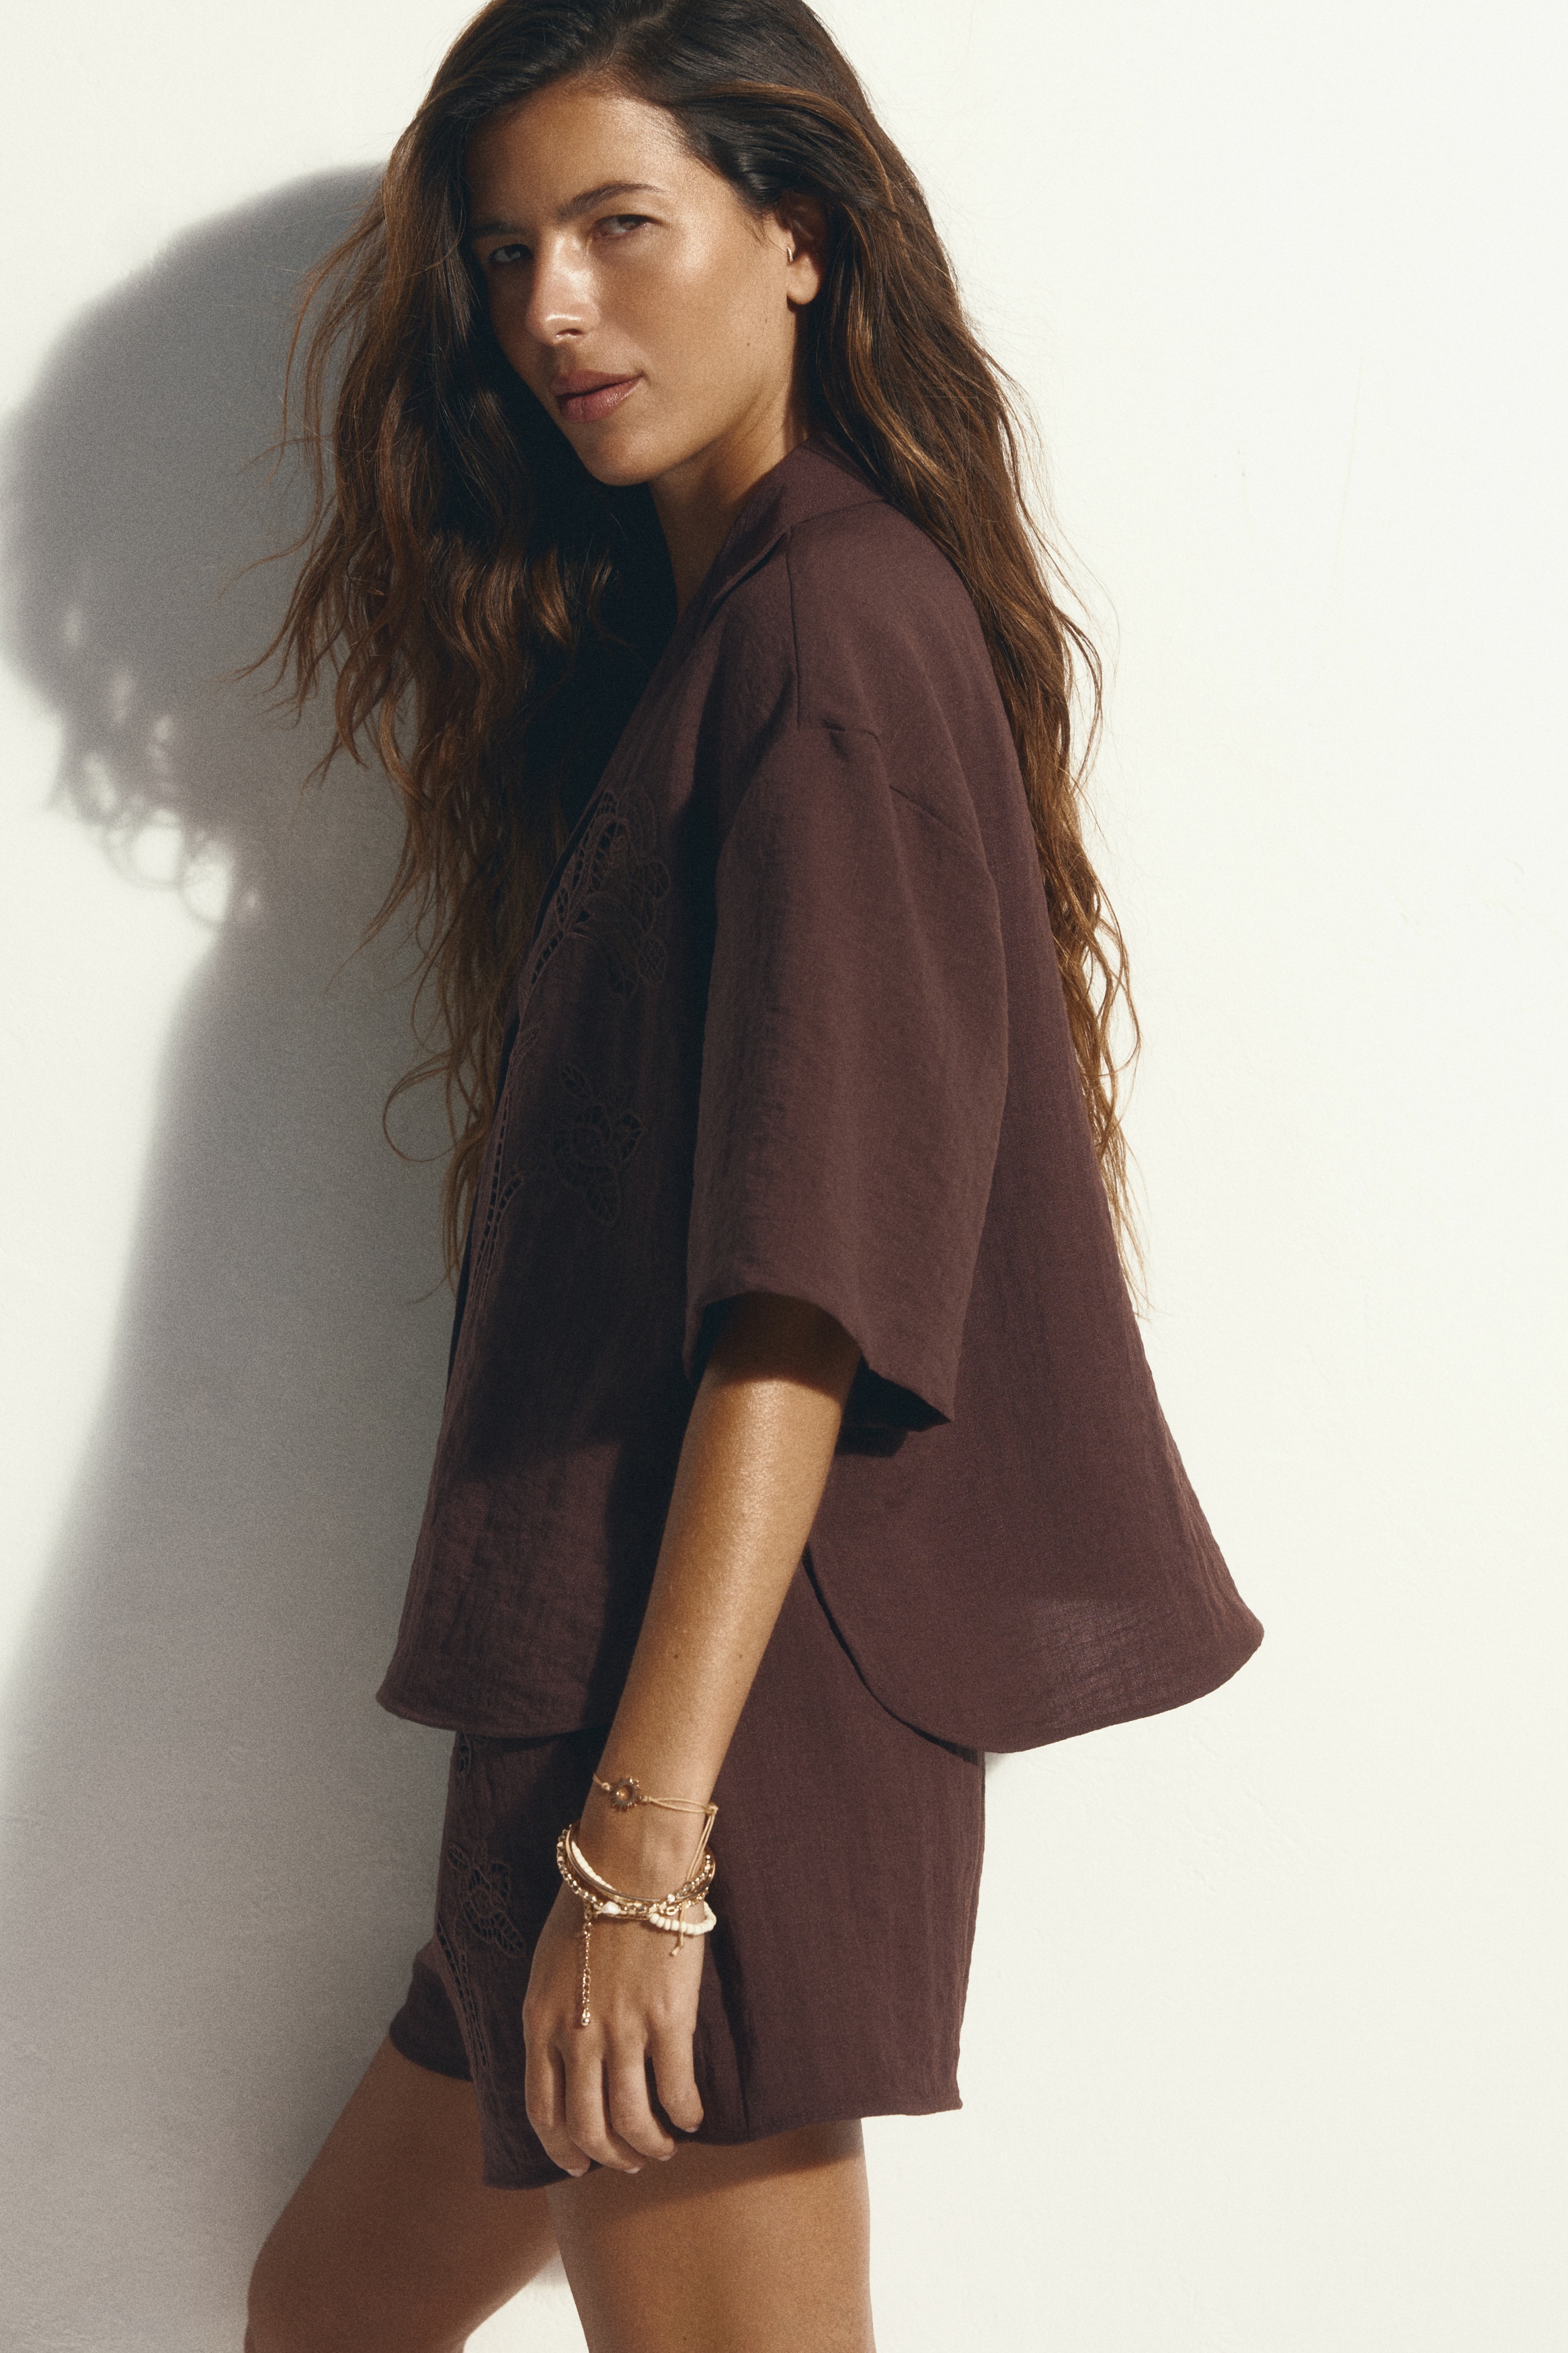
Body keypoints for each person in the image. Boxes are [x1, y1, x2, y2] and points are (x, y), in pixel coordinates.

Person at [245, 3, 1263, 2346]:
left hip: (709, 1731)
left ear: (798, 233)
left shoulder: (829, 631)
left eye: (622, 226)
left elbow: (809, 1292)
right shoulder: (722, 632)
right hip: (596, 1692)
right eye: (508, 255)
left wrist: (650, 1838)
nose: (553, 310)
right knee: (331, 2310)